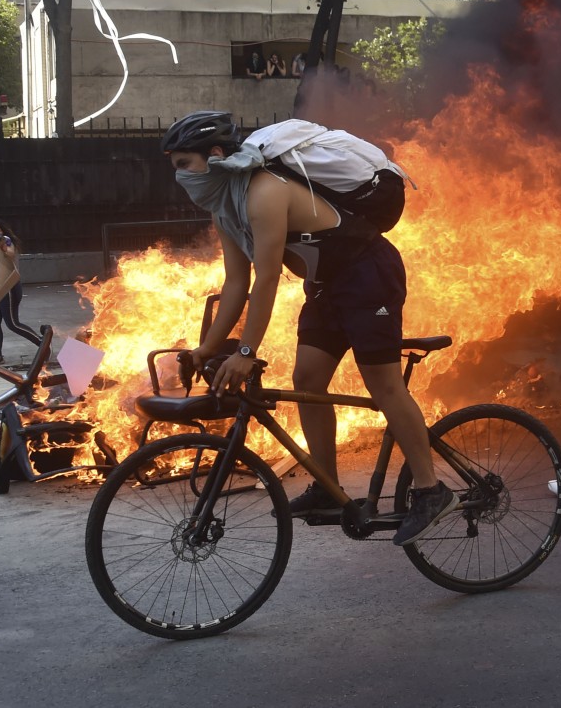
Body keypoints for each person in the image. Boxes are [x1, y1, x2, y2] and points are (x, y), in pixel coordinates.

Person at [161, 111, 456, 546]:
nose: (180, 176)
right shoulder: (225, 208)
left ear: (216, 155)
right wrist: (206, 348)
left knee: (385, 385)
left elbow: (265, 280)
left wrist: (245, 353)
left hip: (368, 274)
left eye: (184, 164)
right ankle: (329, 489)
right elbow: (236, 283)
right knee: (308, 379)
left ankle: (432, 490)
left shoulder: (263, 192)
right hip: (327, 285)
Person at [0, 219, 42, 363]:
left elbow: (11, 254)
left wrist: (2, 246)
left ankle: (41, 342)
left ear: (3, 232)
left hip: (8, 287)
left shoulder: (7, 242)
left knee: (12, 323)